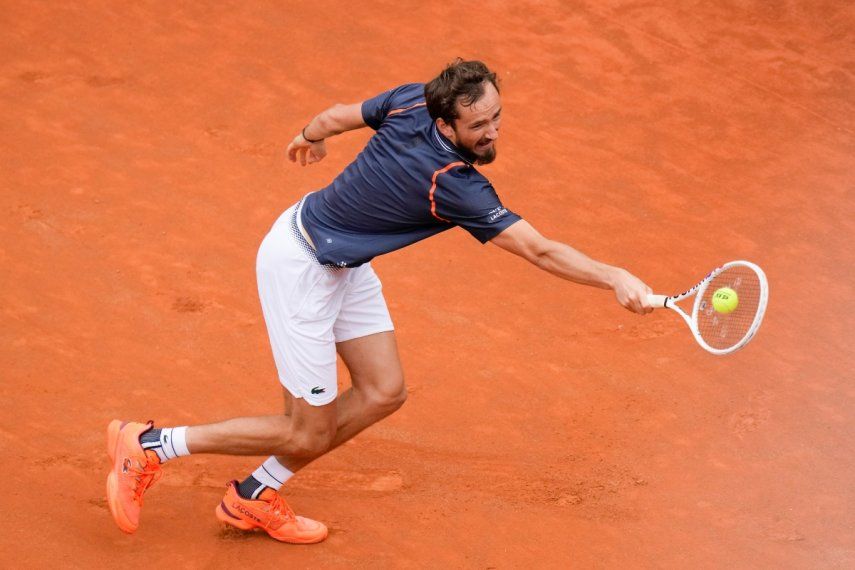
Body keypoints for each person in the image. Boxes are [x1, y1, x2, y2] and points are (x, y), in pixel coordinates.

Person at [106, 58, 653, 544]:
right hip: (300, 270)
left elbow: (336, 117)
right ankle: (151, 444)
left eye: (496, 117)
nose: (492, 132)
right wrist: (614, 276)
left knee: (384, 391)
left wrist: (308, 135)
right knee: (305, 428)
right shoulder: (454, 184)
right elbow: (539, 250)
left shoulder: (413, 96)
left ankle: (251, 495)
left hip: (340, 259)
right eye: (479, 125)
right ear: (445, 123)